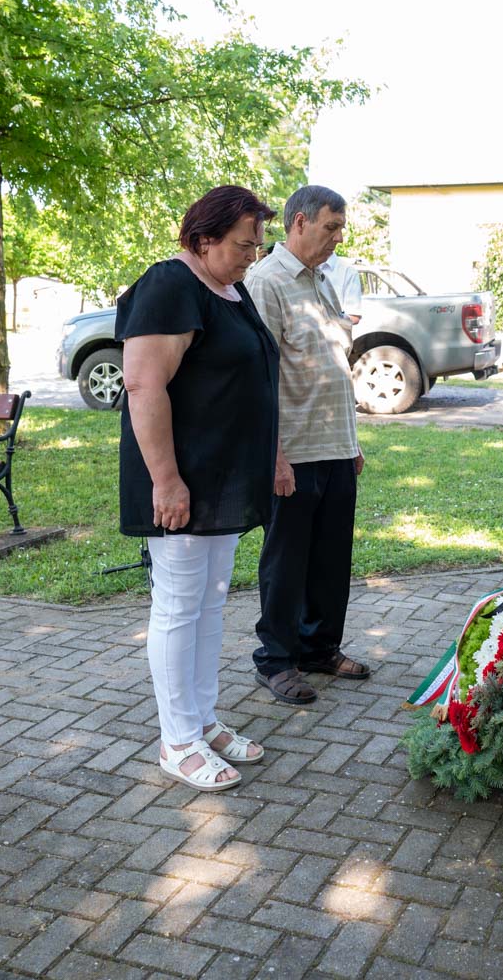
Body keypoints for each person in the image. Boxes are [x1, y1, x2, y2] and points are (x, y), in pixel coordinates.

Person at [118, 185, 279, 791]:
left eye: (257, 246)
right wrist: (166, 481)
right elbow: (143, 386)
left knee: (211, 604)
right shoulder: (169, 286)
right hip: (181, 479)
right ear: (203, 239)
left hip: (223, 479)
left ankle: (203, 720)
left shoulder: (230, 289)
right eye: (243, 245)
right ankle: (177, 740)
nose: (251, 257)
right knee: (178, 606)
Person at [245, 184, 371, 706]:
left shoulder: (322, 280)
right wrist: (273, 455)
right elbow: (258, 378)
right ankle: (276, 660)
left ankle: (319, 648)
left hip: (335, 446)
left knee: (329, 560)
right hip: (293, 452)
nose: (338, 238)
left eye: (341, 228)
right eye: (330, 227)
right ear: (299, 222)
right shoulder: (265, 282)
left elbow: (334, 365)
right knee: (287, 562)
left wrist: (352, 442)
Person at [318, 252, 364, 324]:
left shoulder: (348, 271)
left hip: (332, 329)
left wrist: (326, 323)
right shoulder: (305, 265)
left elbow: (353, 316)